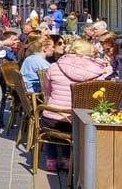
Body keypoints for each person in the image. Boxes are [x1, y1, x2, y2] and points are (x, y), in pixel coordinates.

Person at [41, 39, 111, 171]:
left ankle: (51, 159)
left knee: (47, 123)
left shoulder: (55, 66)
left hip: (53, 115)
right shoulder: (98, 71)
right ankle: (67, 159)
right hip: (79, 119)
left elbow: (47, 90)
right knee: (72, 128)